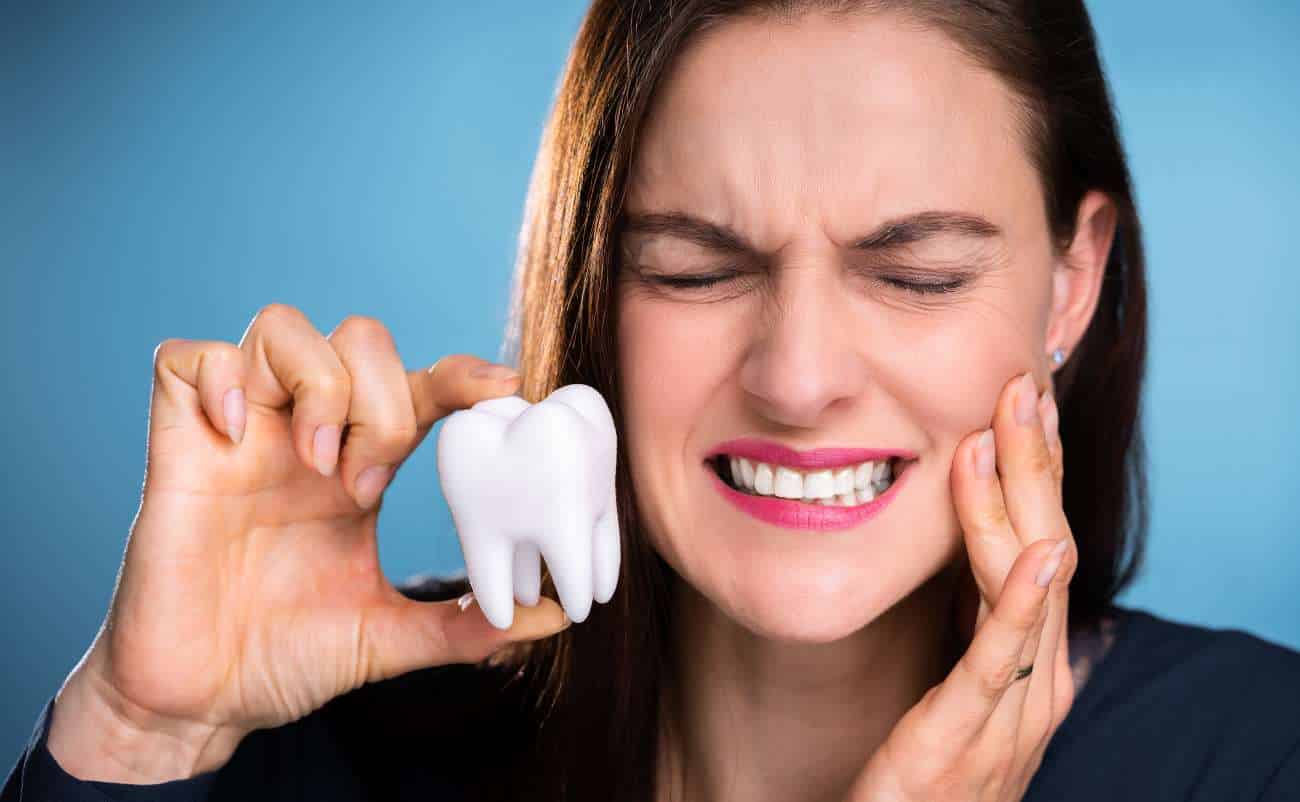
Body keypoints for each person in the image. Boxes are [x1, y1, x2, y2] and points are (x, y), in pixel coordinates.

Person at [5, 1, 1300, 800]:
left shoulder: (1257, 758)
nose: (797, 379)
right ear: (589, 286)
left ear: (1072, 283)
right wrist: (137, 729)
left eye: (916, 273)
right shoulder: (329, 761)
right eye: (696, 267)